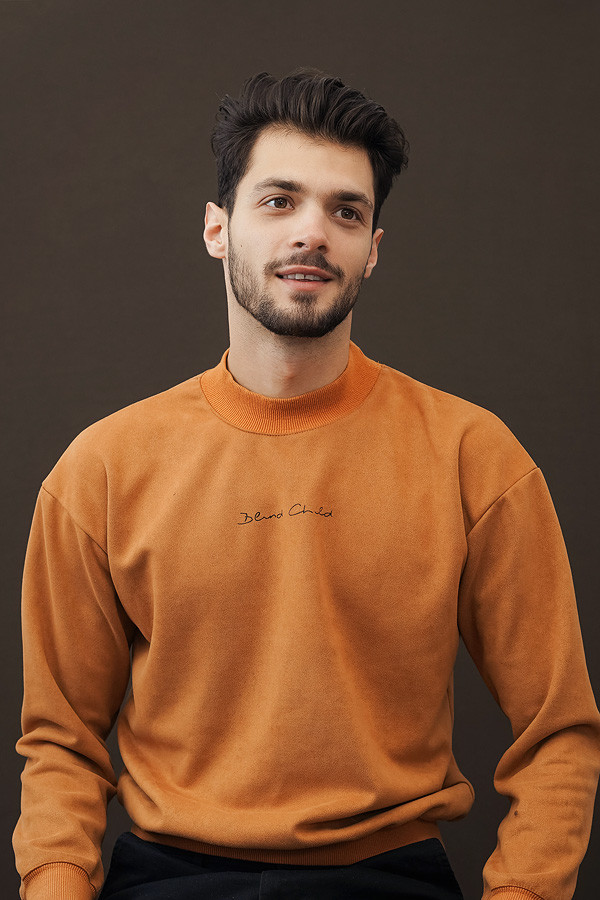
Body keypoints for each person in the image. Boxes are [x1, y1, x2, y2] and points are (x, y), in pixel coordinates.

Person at [13, 68, 600, 900]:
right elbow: (61, 743)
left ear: (373, 250)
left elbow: (559, 732)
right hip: (168, 879)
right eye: (279, 201)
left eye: (345, 212)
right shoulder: (101, 469)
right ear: (218, 229)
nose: (313, 233)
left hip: (391, 879)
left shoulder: (474, 456)